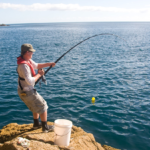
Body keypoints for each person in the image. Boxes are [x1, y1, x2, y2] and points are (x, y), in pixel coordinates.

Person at [17, 43, 56, 132]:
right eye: (31, 52)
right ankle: (45, 127)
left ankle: (36, 124)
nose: (32, 53)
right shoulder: (24, 65)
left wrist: (49, 64)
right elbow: (30, 81)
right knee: (43, 106)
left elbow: (37, 65)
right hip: (28, 92)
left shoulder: (26, 60)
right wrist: (39, 74)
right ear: (27, 52)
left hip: (23, 91)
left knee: (35, 106)